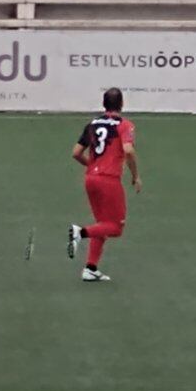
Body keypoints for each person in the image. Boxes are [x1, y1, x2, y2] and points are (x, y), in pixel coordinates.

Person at [68, 87, 138, 283]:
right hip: (109, 180)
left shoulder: (92, 124)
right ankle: (80, 233)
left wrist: (93, 166)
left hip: (91, 178)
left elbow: (75, 153)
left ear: (103, 104)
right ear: (122, 104)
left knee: (103, 224)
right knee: (115, 227)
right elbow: (129, 151)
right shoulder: (124, 125)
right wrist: (135, 176)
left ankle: (90, 268)